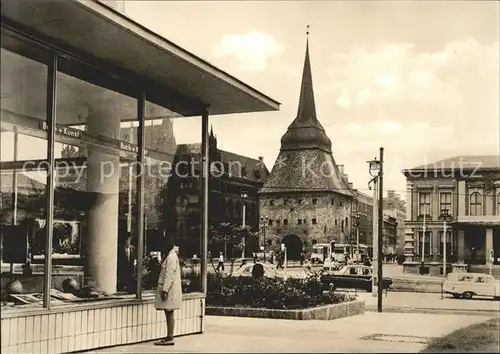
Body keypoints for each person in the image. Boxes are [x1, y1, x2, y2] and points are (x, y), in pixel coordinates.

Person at [154, 234, 182, 346]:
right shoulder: (171, 256)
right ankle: (169, 336)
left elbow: (169, 275)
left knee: (169, 312)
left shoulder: (171, 257)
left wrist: (165, 290)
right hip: (170, 289)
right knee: (169, 312)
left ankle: (170, 337)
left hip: (169, 290)